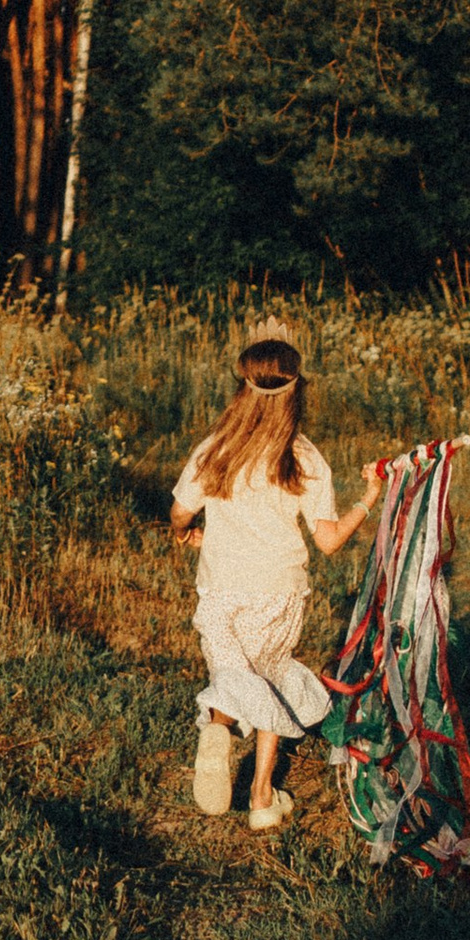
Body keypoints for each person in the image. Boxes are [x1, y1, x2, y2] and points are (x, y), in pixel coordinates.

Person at [171, 336, 379, 834]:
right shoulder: (304, 458)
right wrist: (369, 498)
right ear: (296, 391)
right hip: (278, 593)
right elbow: (328, 541)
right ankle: (263, 798)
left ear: (242, 388)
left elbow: (180, 510)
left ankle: (218, 729)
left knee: (231, 674)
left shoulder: (215, 448)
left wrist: (186, 533)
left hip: (222, 587)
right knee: (268, 676)